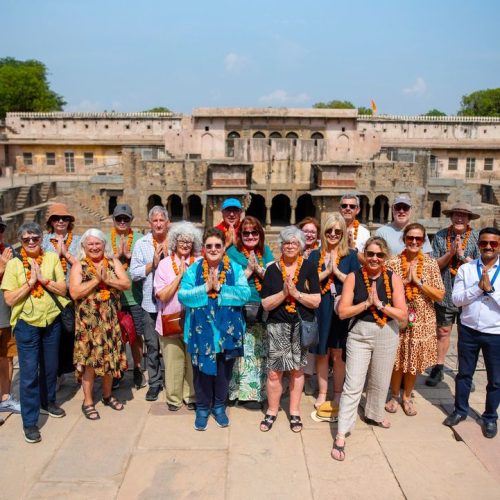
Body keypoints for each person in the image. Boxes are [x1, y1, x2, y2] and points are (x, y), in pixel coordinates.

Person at [332, 237, 407, 461]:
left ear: (386, 257)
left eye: (379, 255)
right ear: (364, 254)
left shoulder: (393, 278)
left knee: (380, 380)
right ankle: (342, 432)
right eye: (371, 254)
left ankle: (374, 414)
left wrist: (381, 305)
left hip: (387, 332)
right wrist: (367, 304)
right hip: (360, 332)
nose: (374, 258)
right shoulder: (354, 277)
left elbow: (402, 314)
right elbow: (343, 312)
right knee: (353, 383)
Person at [1, 222, 68, 443]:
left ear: (41, 239)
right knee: (29, 373)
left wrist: (44, 281)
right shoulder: (13, 264)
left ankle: (48, 401)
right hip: (26, 324)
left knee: (50, 367)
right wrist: (30, 283)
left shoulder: (50, 259)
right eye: (26, 239)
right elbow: (9, 299)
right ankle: (30, 422)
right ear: (20, 241)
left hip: (51, 320)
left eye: (35, 238)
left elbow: (63, 289)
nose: (31, 242)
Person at [178, 228, 250, 431]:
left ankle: (219, 406)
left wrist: (220, 289)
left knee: (223, 372)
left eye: (217, 245)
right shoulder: (194, 269)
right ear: (203, 248)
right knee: (200, 373)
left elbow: (244, 294)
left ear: (223, 248)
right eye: (209, 246)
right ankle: (202, 408)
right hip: (201, 332)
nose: (213, 249)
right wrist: (205, 288)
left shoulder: (234, 268)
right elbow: (183, 295)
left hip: (226, 333)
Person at [259, 226, 321, 433]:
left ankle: (294, 412)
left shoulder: (310, 267)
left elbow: (317, 300)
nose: (290, 246)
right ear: (281, 246)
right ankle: (272, 411)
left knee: (297, 370)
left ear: (301, 246)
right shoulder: (272, 269)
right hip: (278, 326)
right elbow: (266, 304)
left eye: (294, 243)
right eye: (286, 243)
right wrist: (284, 293)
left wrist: (297, 294)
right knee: (275, 373)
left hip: (301, 326)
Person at [445, 227, 500, 439]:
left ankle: (489, 417)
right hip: (468, 329)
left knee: (495, 379)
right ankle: (460, 410)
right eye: (484, 243)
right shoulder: (467, 270)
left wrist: (490, 290)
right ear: (478, 245)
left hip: (495, 332)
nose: (488, 247)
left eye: (493, 243)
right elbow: (456, 299)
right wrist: (479, 288)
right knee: (464, 374)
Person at [69, 229, 130, 420]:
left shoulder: (113, 263)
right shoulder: (79, 266)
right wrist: (96, 280)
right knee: (89, 363)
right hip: (88, 325)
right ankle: (87, 401)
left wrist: (108, 279)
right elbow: (75, 293)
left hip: (110, 323)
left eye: (98, 244)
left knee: (109, 361)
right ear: (84, 247)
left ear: (104, 245)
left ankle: (106, 395)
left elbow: (126, 283)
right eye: (90, 244)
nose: (95, 247)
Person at [385, 223, 444, 416]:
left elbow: (439, 295)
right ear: (404, 239)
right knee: (397, 357)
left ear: (423, 240)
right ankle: (394, 395)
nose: (414, 241)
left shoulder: (430, 264)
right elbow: (385, 291)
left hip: (422, 318)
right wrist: (403, 283)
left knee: (413, 359)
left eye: (418, 238)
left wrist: (418, 283)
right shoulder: (393, 263)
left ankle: (407, 397)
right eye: (410, 238)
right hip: (398, 316)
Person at [309, 214, 360, 411]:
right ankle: (323, 392)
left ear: (343, 234)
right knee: (322, 352)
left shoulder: (351, 256)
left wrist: (337, 272)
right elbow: (308, 282)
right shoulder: (315, 255)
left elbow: (357, 283)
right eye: (329, 230)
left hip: (341, 308)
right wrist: (326, 272)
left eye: (337, 231)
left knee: (338, 353)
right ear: (324, 232)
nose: (333, 234)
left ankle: (337, 393)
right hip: (321, 307)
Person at [427, 202, 480, 387]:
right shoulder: (441, 236)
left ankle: (466, 373)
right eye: (456, 215)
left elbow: (482, 266)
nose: (459, 218)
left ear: (468, 219)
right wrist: (451, 253)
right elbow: (434, 265)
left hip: (470, 294)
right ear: (451, 217)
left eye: (463, 216)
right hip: (446, 291)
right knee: (442, 331)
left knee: (468, 335)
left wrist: (462, 255)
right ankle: (438, 368)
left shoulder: (477, 237)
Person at [227, 216, 274, 410]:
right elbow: (229, 281)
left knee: (257, 351)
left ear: (260, 234)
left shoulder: (266, 251)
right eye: (245, 233)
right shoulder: (232, 252)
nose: (250, 236)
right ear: (240, 235)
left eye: (254, 232)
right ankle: (235, 392)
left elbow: (273, 278)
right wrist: (248, 271)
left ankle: (255, 394)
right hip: (239, 305)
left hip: (261, 304)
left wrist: (259, 270)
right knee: (239, 350)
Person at [154, 221, 202, 411]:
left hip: (194, 320)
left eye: (189, 242)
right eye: (182, 241)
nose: (185, 245)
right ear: (174, 242)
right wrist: (179, 277)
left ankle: (191, 396)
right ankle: (173, 398)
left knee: (192, 361)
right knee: (173, 361)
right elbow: (162, 295)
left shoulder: (199, 264)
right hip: (169, 320)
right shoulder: (165, 264)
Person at [130, 206, 169, 401]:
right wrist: (152, 264)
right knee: (152, 345)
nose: (159, 224)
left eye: (162, 220)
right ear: (149, 223)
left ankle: (172, 380)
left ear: (167, 222)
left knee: (172, 346)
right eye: (155, 221)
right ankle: (155, 382)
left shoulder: (175, 241)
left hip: (172, 304)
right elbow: (134, 273)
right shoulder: (142, 244)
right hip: (150, 303)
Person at [107, 204, 146, 390]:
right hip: (112, 297)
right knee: (116, 336)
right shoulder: (105, 240)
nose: (122, 222)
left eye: (126, 219)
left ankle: (137, 368)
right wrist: (116, 256)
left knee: (136, 335)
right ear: (113, 219)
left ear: (131, 220)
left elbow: (146, 264)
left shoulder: (139, 239)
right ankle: (118, 370)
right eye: (119, 219)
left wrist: (129, 256)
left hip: (135, 296)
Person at [42, 203, 81, 385]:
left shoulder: (78, 240)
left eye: (64, 218)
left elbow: (84, 264)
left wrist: (66, 255)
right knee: (52, 336)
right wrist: (57, 256)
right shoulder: (42, 242)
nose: (60, 221)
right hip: (51, 295)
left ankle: (72, 369)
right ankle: (55, 374)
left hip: (72, 294)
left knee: (71, 334)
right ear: (51, 221)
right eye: (56, 218)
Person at [0, 216, 21, 416]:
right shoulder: (6, 256)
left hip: (7, 314)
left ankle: (5, 397)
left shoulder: (9, 250)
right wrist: (3, 266)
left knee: (7, 357)